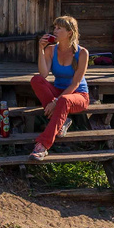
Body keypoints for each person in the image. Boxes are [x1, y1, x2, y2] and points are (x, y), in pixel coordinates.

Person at [28, 16, 90, 160]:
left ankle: (42, 146)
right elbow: (43, 74)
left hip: (78, 95)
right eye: (54, 27)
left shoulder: (82, 53)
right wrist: (41, 49)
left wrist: (56, 101)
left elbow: (75, 84)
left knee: (64, 101)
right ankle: (62, 119)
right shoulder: (51, 50)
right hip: (58, 92)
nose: (54, 31)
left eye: (59, 28)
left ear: (69, 32)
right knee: (36, 80)